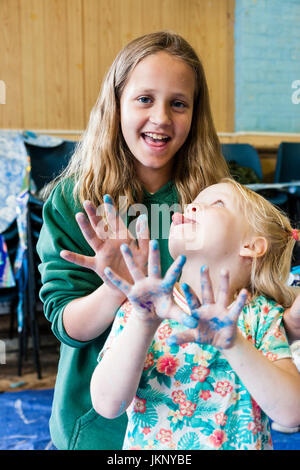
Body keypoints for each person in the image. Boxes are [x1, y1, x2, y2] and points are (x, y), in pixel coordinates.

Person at [36, 31, 230, 450]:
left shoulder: (216, 199)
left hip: (195, 426)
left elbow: (241, 298)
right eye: (144, 99)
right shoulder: (75, 200)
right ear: (116, 104)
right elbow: (69, 326)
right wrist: (114, 285)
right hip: (100, 429)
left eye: (178, 103)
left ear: (195, 114)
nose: (161, 117)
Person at [91, 179, 300, 450]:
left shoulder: (260, 315)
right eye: (191, 203)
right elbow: (107, 405)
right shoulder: (142, 308)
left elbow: (292, 413)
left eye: (217, 203)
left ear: (250, 245)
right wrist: (144, 324)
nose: (190, 207)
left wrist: (234, 344)